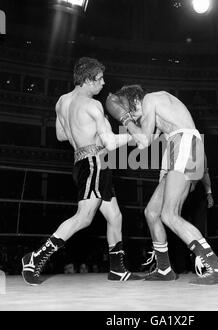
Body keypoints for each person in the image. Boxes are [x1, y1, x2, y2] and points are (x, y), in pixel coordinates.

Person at [21, 57, 142, 285]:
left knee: (115, 216)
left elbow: (60, 135)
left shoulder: (62, 101)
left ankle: (117, 269)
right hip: (95, 163)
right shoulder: (93, 105)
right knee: (84, 217)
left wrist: (85, 133)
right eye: (99, 79)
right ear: (87, 80)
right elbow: (111, 143)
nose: (104, 83)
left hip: (81, 163)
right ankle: (35, 258)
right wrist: (137, 135)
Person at [106, 85, 218, 285]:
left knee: (169, 214)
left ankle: (217, 268)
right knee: (152, 213)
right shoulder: (161, 109)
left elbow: (145, 139)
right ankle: (164, 268)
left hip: (185, 145)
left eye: (130, 110)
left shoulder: (150, 99)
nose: (133, 115)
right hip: (182, 149)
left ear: (135, 101)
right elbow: (142, 141)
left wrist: (124, 118)